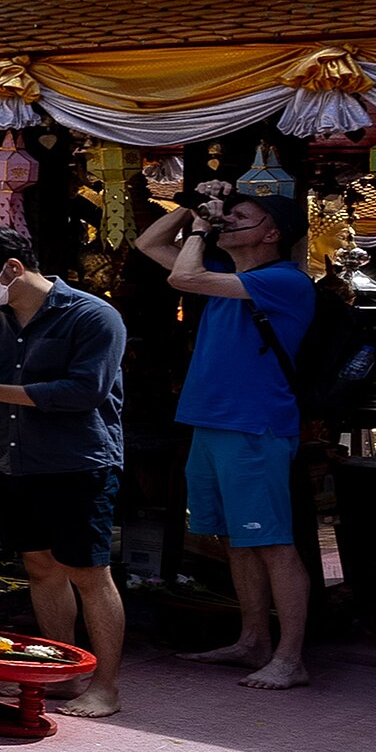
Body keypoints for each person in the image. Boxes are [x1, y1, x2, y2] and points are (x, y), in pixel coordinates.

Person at [0, 225, 127, 717]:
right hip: (10, 458)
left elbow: (83, 392)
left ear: (13, 268)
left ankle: (106, 685)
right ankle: (58, 670)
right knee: (39, 568)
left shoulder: (93, 316)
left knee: (88, 572)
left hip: (75, 461)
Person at [135, 167, 315, 689]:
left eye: (241, 217)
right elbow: (149, 242)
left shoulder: (284, 280)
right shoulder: (226, 277)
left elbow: (181, 276)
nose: (227, 221)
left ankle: (291, 657)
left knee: (273, 542)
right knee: (237, 540)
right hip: (212, 422)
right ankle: (253, 639)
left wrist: (198, 229)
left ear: (271, 233)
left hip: (252, 425)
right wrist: (197, 211)